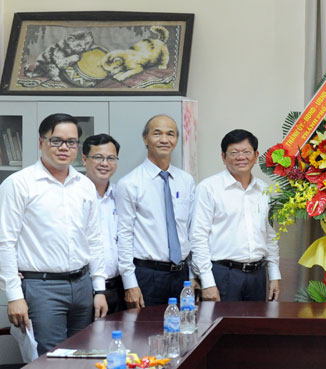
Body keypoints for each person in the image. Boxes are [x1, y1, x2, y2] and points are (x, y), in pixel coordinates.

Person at [0, 113, 107, 355]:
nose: (64, 147)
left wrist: (98, 289)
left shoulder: (85, 185)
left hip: (82, 286)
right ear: (41, 143)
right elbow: (5, 242)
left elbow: (94, 240)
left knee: (83, 355)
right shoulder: (19, 184)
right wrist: (14, 295)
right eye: (56, 140)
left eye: (71, 142)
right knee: (51, 359)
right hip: (41, 288)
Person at [190, 129, 281, 301]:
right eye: (234, 153)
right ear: (223, 157)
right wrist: (208, 282)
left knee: (256, 327)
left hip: (257, 276)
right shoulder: (208, 188)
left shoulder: (264, 190)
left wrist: (274, 274)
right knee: (221, 327)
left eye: (246, 152)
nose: (241, 157)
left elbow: (269, 236)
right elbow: (198, 237)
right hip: (223, 275)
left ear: (255, 156)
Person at [116, 115, 195, 308]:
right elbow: (124, 235)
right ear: (145, 139)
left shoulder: (186, 181)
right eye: (157, 133)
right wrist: (129, 284)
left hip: (182, 275)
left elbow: (191, 231)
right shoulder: (130, 183)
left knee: (185, 332)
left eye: (171, 134)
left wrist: (193, 274)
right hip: (147, 276)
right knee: (146, 335)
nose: (164, 139)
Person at [82, 133, 125, 314]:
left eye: (111, 158)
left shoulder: (121, 194)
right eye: (98, 157)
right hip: (84, 287)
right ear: (84, 159)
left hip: (117, 285)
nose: (105, 163)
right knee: (83, 341)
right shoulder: (75, 194)